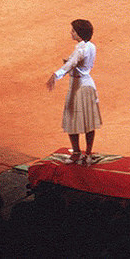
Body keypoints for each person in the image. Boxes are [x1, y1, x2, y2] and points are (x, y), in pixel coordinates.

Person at [46, 19, 101, 165]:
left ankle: (76, 152)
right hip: (88, 84)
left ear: (79, 33)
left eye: (73, 31)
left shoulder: (80, 48)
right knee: (89, 121)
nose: (71, 33)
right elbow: (77, 63)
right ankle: (88, 153)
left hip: (78, 87)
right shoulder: (91, 46)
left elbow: (72, 63)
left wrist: (56, 74)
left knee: (71, 118)